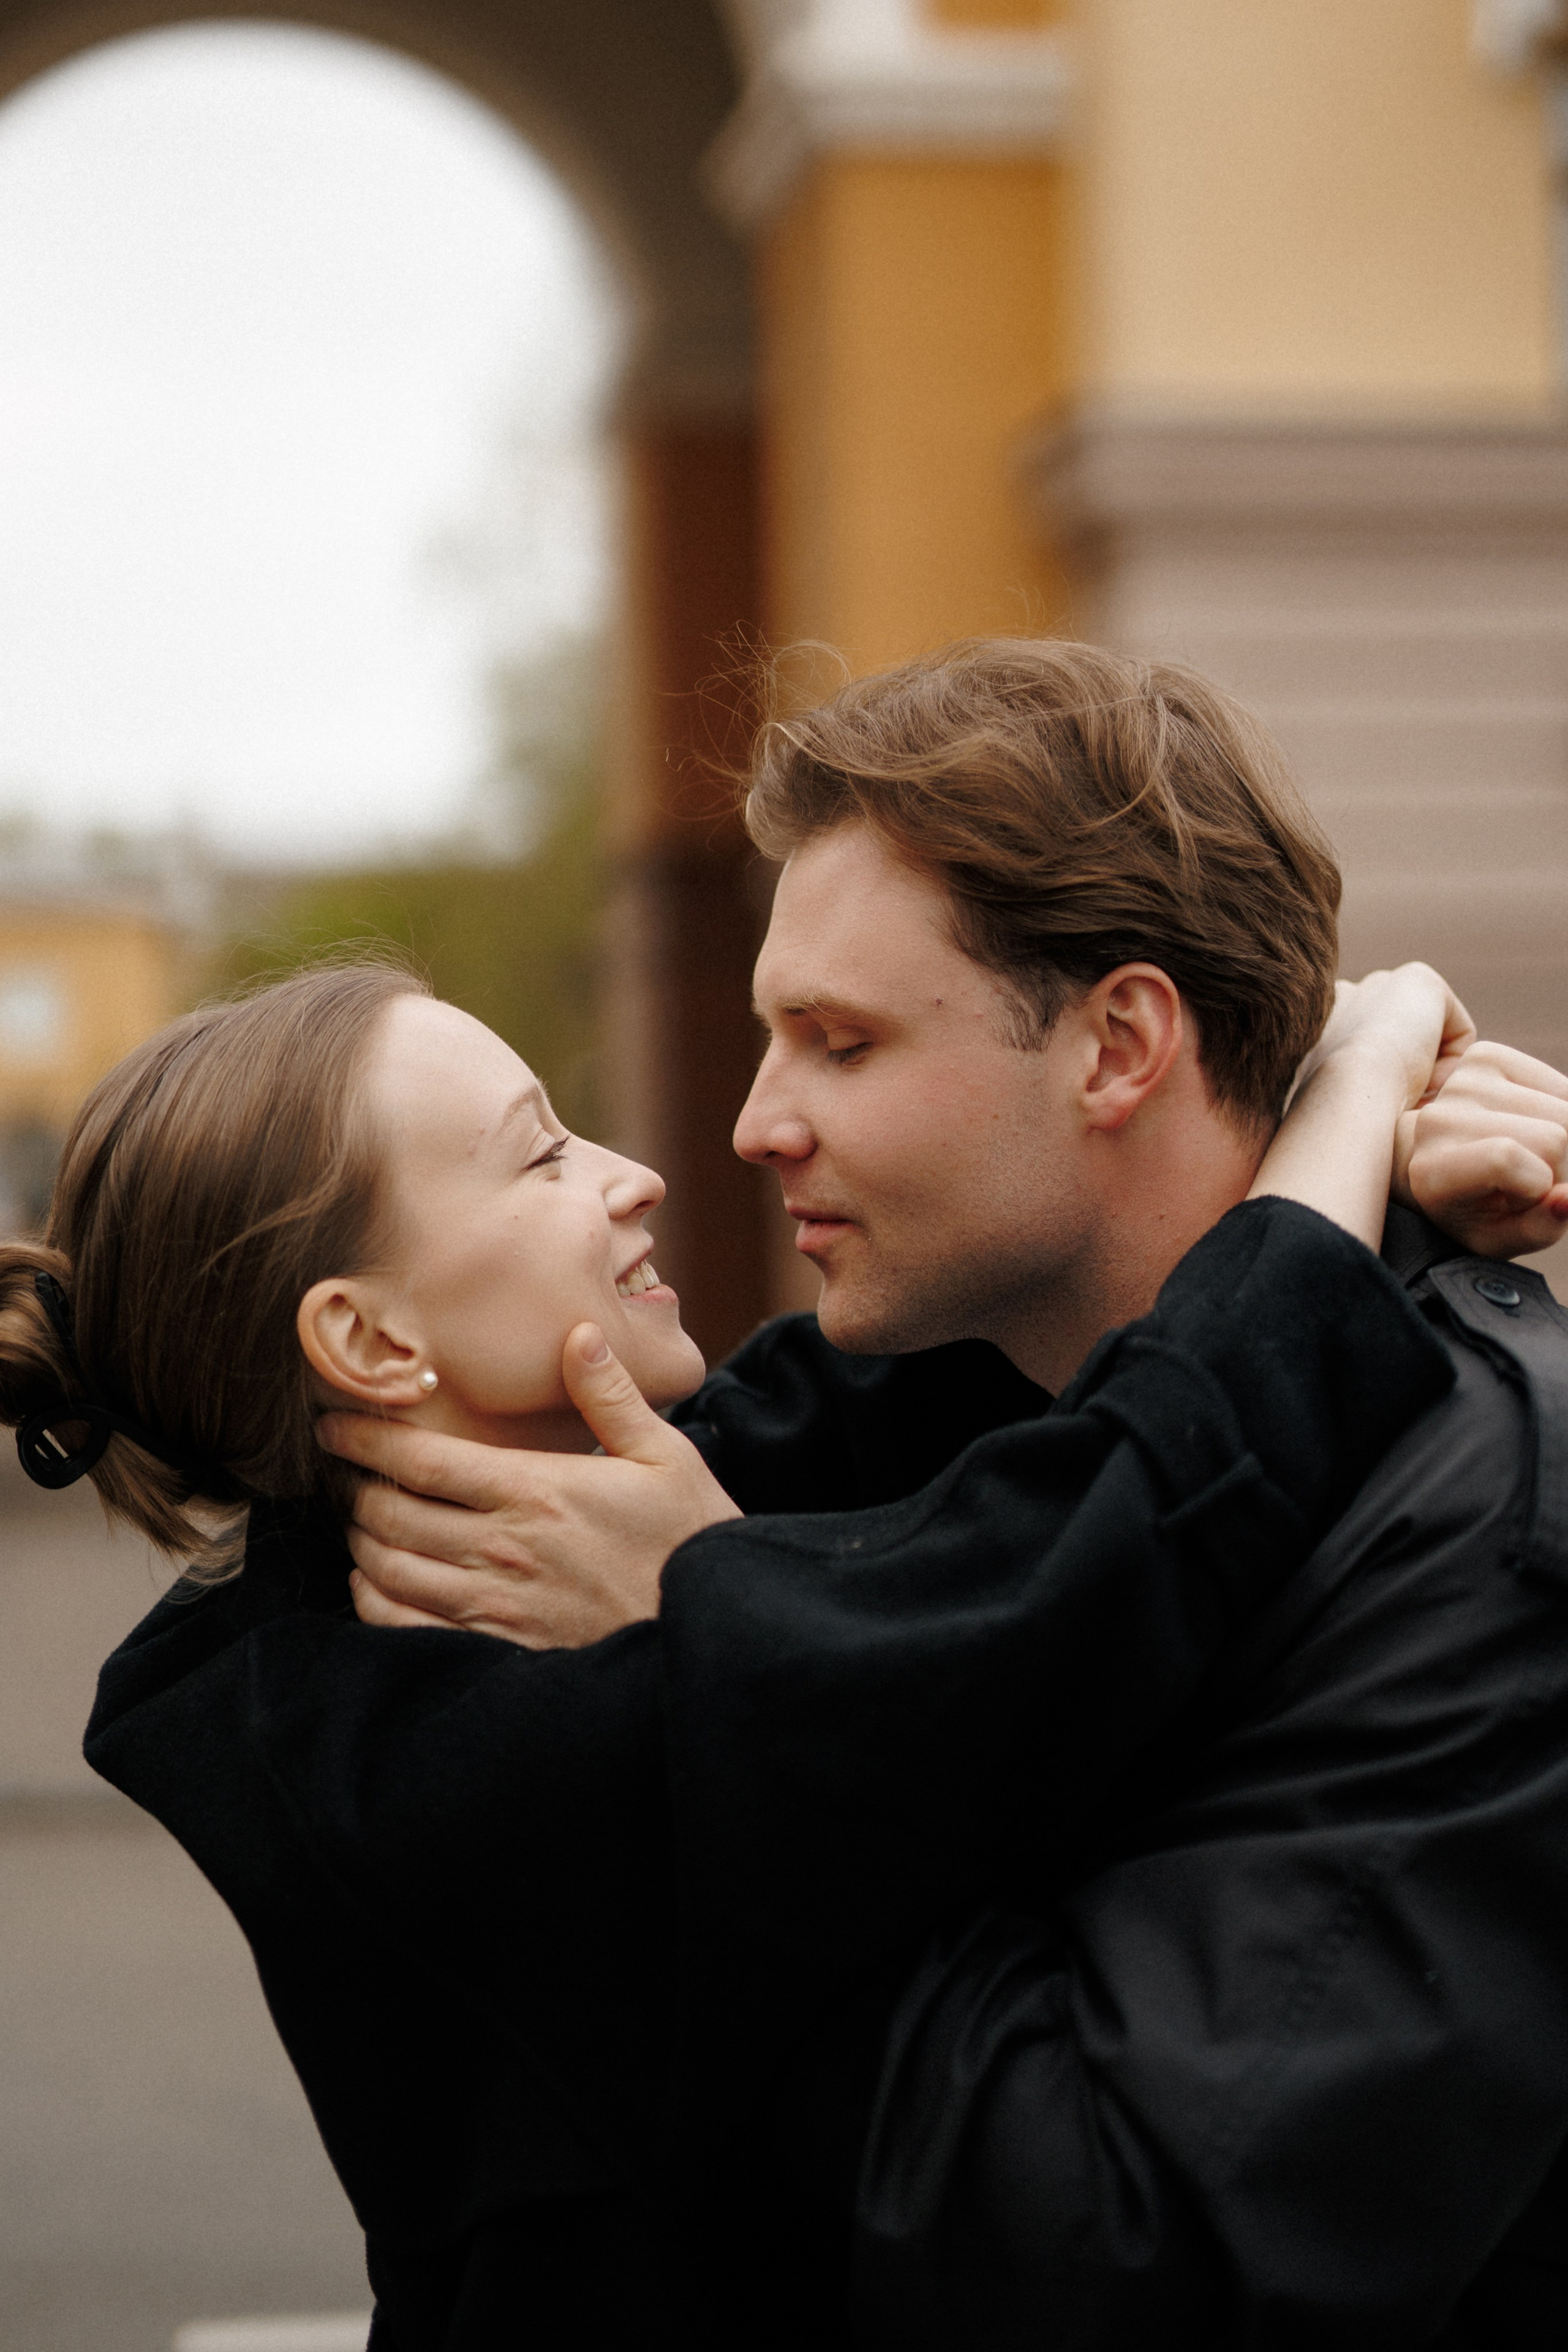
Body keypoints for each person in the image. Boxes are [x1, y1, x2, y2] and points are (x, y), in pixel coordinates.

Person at [0, 942, 1514, 2345]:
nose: (641, 1174)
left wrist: (1361, 1171)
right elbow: (1089, 1561)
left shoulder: (567, 1512)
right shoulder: (422, 1746)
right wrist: (1355, 1083)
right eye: (542, 1153)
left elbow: (994, 1346)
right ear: (375, 1342)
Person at [333, 639, 1568, 2345]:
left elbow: (1121, 2251)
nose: (756, 1125)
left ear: (1119, 1044)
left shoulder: (1475, 1531)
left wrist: (731, 1671)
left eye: (838, 1042)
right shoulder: (964, 1375)